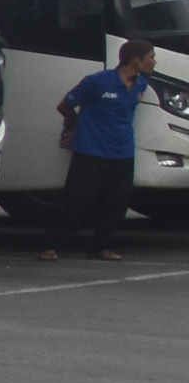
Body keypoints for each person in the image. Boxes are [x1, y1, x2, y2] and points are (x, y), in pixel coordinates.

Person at [42, 38, 154, 261]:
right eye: (150, 58)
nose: (154, 63)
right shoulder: (97, 82)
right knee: (77, 200)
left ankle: (101, 246)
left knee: (116, 201)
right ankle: (55, 245)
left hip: (123, 151)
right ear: (135, 59)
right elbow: (65, 105)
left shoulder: (141, 84)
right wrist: (74, 124)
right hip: (91, 150)